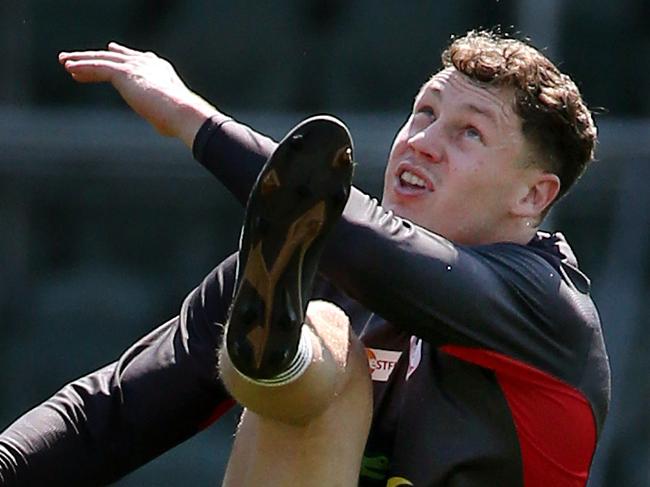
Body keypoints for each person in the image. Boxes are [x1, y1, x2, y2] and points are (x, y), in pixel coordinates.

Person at [0, 29, 610, 486]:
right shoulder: (309, 252)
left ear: (533, 196)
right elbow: (115, 410)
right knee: (323, 329)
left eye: (468, 132)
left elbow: (377, 249)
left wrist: (194, 120)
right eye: (424, 112)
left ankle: (285, 362)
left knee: (326, 339)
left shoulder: (547, 309)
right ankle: (283, 361)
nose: (421, 143)